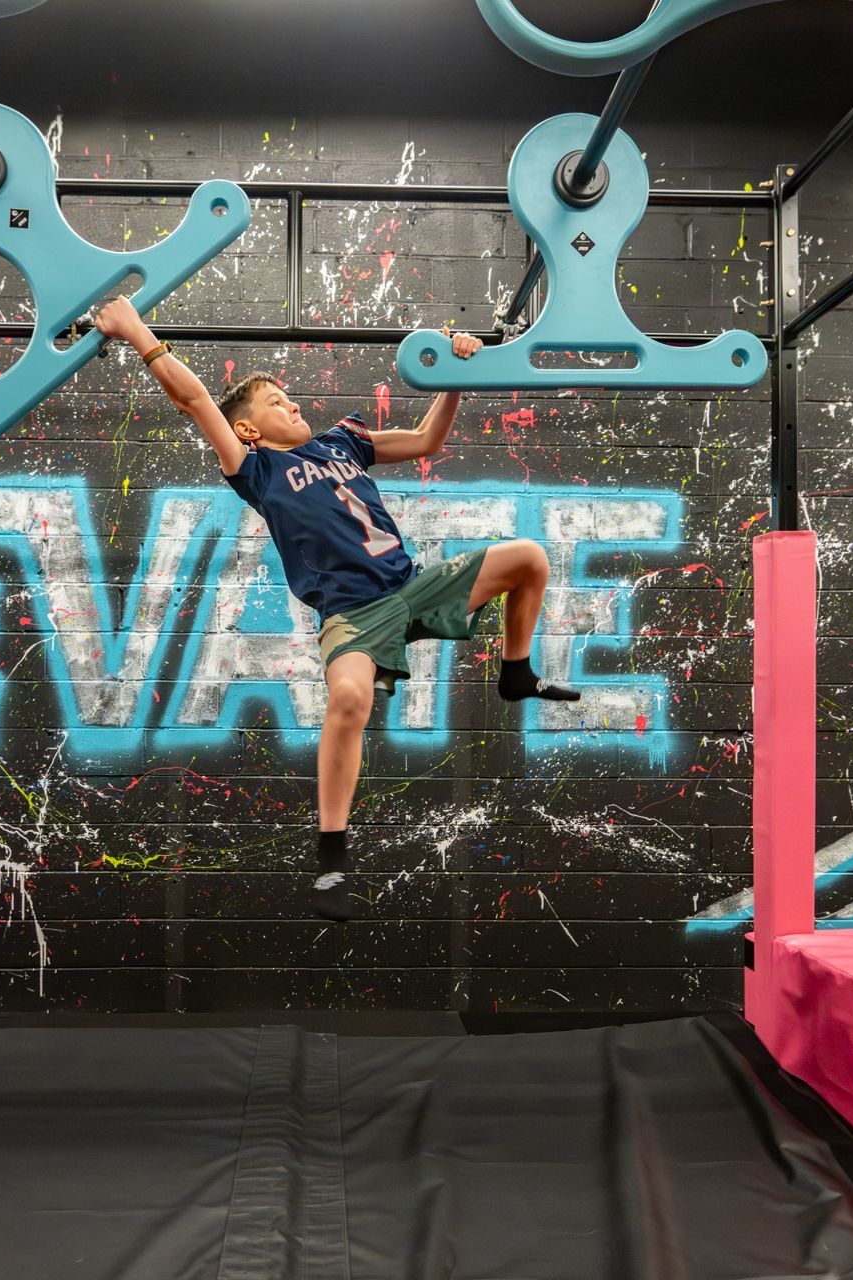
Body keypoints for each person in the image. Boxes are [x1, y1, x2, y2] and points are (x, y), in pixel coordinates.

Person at [93, 296, 579, 920]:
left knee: (530, 559)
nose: (293, 406)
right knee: (349, 699)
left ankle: (516, 674)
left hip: (410, 584)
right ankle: (331, 860)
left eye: (290, 398)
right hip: (354, 614)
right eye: (276, 403)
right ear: (247, 428)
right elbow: (193, 400)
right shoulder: (257, 468)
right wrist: (135, 331)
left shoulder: (344, 443)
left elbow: (430, 437)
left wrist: (458, 375)